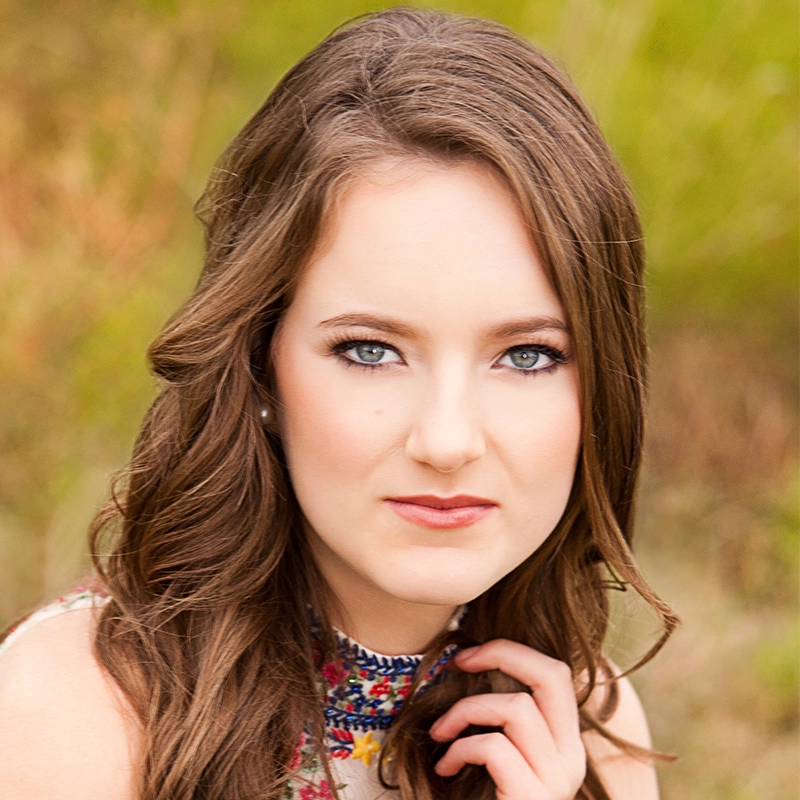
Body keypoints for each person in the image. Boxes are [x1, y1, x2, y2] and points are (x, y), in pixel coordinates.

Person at [0, 7, 677, 800]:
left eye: (527, 355)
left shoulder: (589, 727)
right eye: (371, 351)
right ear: (258, 365)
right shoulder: (82, 711)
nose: (448, 438)